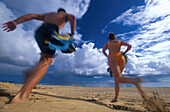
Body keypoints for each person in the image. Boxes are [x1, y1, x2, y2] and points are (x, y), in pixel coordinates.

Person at [2, 8, 76, 103]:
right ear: (63, 12)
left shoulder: (49, 14)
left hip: (40, 32)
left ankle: (30, 73)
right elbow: (73, 17)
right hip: (51, 31)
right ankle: (21, 95)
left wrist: (15, 22)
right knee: (47, 61)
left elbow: (32, 15)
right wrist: (72, 34)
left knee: (44, 59)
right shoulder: (64, 16)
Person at [102, 33, 143, 102]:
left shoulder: (108, 43)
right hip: (121, 58)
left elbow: (103, 51)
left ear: (109, 38)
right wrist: (124, 52)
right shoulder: (119, 42)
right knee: (117, 79)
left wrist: (107, 56)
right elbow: (129, 46)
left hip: (113, 59)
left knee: (117, 78)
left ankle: (135, 80)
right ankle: (116, 98)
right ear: (115, 37)